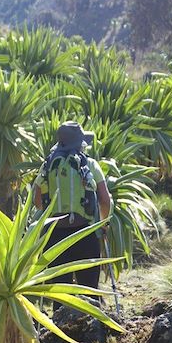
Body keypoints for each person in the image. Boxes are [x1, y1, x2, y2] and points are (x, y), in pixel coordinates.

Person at [34, 122, 112, 310]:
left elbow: (37, 199)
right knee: (89, 289)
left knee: (60, 292)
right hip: (85, 232)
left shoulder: (48, 165)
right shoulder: (90, 164)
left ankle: (59, 334)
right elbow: (104, 199)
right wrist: (102, 224)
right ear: (80, 143)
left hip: (56, 236)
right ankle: (92, 333)